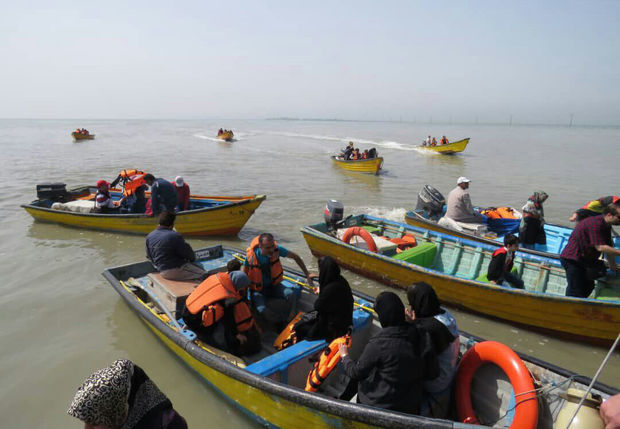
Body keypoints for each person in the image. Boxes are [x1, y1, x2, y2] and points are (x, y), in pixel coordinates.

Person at [338, 292, 427, 414]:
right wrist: (412, 323)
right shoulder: (418, 333)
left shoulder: (379, 344)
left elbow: (355, 373)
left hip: (381, 405)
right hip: (410, 403)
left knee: (359, 375)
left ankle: (341, 404)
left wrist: (344, 355)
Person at [67, 359, 187, 429]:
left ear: (113, 412)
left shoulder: (167, 425)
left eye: (94, 423)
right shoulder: (124, 421)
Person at [406, 282, 459, 419]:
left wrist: (411, 324)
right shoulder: (445, 314)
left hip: (438, 382)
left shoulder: (428, 328)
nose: (411, 306)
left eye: (412, 302)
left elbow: (413, 347)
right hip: (450, 372)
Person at [243, 233, 317, 326]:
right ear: (260, 246)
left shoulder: (277, 250)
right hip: (258, 290)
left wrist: (307, 274)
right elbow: (244, 275)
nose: (271, 250)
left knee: (290, 294)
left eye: (272, 246)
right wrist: (244, 297)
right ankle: (276, 323)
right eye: (267, 248)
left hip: (274, 286)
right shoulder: (251, 257)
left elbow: (296, 257)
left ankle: (288, 319)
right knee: (262, 310)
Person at [182, 270, 261, 356]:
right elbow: (229, 320)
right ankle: (221, 348)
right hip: (196, 322)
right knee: (222, 332)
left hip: (186, 310)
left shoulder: (216, 277)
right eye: (242, 287)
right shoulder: (228, 298)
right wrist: (236, 335)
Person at [560, 202, 620, 298]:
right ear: (609, 215)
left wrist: (612, 265)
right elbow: (600, 247)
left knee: (588, 287)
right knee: (575, 289)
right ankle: (569, 308)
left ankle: (579, 307)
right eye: (619, 217)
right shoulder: (595, 223)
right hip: (573, 259)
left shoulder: (606, 225)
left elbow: (608, 246)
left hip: (586, 260)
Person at [296, 256, 353, 342]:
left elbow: (318, 306)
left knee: (299, 328)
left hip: (336, 328)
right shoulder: (342, 280)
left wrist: (322, 293)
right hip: (346, 321)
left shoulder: (329, 289)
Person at [145, 211, 207, 281]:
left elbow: (149, 256)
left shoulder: (150, 236)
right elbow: (189, 255)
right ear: (172, 224)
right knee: (205, 275)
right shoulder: (175, 236)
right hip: (174, 271)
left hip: (161, 270)